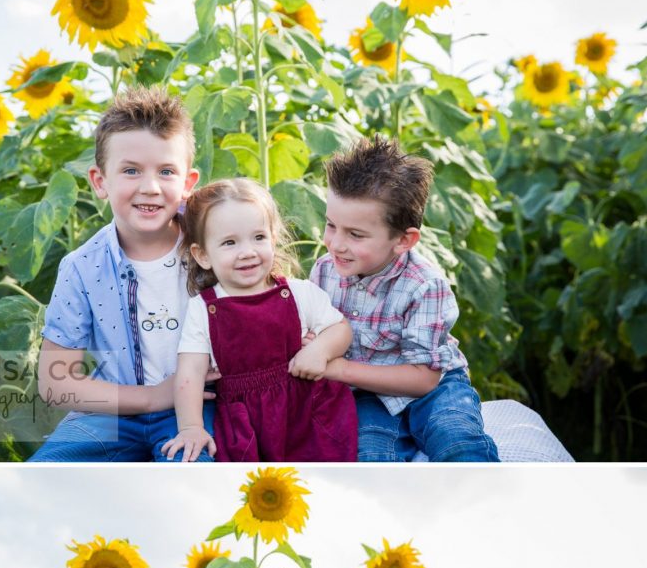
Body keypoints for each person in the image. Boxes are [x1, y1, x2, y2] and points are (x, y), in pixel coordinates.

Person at [29, 85, 217, 462]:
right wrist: (151, 397)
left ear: (187, 183)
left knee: (196, 473)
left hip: (198, 409)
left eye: (166, 171)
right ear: (100, 181)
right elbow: (54, 382)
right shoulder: (82, 268)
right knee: (43, 473)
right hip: (111, 414)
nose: (149, 187)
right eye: (131, 171)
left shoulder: (214, 245)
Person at [312, 135, 500, 462]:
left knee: (455, 437)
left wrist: (339, 370)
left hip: (436, 387)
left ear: (404, 240)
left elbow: (424, 379)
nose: (336, 244)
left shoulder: (423, 285)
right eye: (331, 225)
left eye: (355, 234)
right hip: (368, 394)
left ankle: (483, 507)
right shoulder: (324, 273)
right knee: (369, 455)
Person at [161, 177, 358, 463]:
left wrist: (319, 350)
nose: (247, 252)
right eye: (229, 242)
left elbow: (340, 329)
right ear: (203, 255)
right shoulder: (204, 309)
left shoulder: (299, 293)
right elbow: (189, 373)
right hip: (245, 421)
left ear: (273, 238)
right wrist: (191, 427)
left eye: (258, 237)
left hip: (306, 413)